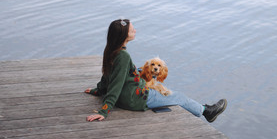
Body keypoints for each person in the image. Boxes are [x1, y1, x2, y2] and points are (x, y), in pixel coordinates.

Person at [85, 19, 227, 123]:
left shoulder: (110, 50)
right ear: (123, 36)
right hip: (136, 98)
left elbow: (107, 75)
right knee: (179, 97)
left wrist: (97, 90)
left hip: (128, 94)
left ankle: (204, 109)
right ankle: (207, 111)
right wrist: (105, 110)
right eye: (132, 30)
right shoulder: (123, 56)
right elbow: (116, 84)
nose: (135, 31)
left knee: (153, 78)